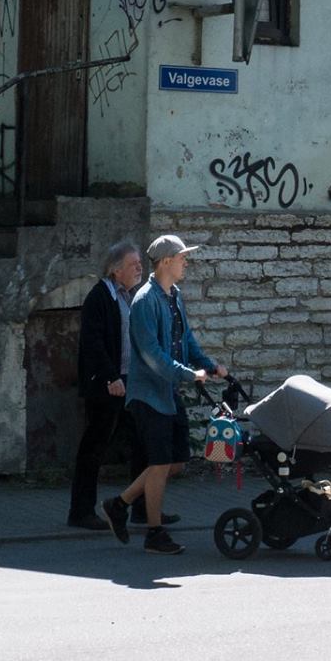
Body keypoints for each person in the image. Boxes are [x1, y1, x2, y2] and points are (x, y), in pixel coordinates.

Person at [103, 234, 225, 556]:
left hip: (168, 393)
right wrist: (189, 374)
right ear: (166, 261)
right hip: (148, 395)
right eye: (183, 258)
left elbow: (187, 340)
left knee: (177, 462)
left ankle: (120, 504)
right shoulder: (145, 301)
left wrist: (208, 365)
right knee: (159, 463)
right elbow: (152, 355)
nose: (186, 263)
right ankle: (154, 534)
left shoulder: (174, 296)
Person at [65, 240, 142, 529]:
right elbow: (93, 343)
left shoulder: (128, 296)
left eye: (140, 264)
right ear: (116, 269)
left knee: (143, 442)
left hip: (128, 382)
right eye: (133, 264)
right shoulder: (99, 297)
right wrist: (111, 376)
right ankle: (81, 511)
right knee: (94, 447)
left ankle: (143, 508)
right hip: (107, 385)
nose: (139, 269)